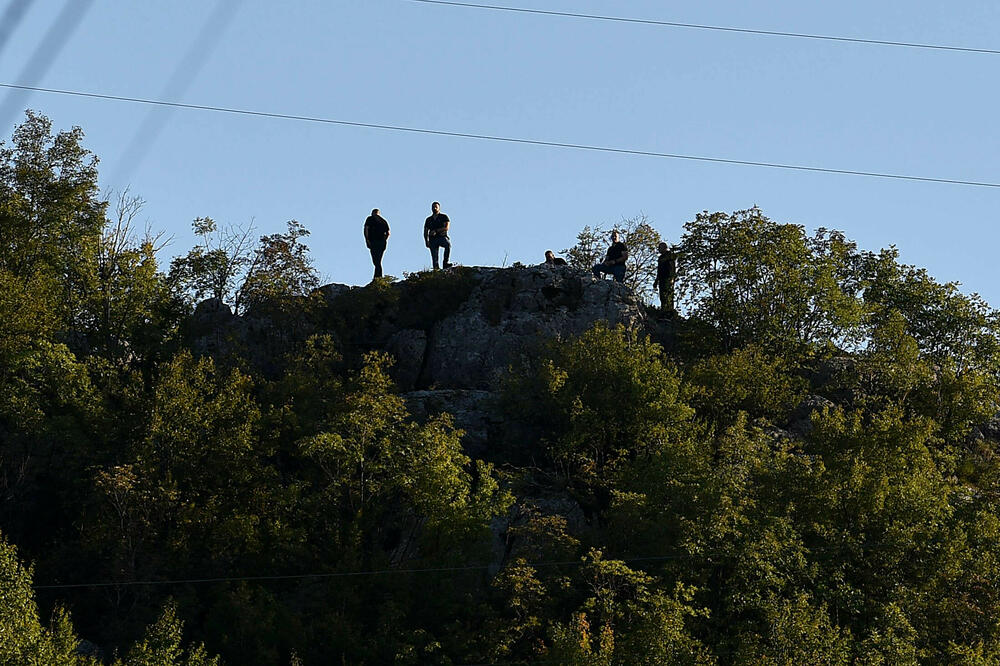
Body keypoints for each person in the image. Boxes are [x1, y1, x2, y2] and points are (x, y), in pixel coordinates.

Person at [423, 201, 452, 269]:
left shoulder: (444, 217)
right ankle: (436, 270)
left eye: (436, 207)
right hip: (432, 239)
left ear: (439, 208)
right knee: (434, 256)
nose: (434, 208)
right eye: (433, 207)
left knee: (447, 245)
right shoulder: (428, 219)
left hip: (441, 237)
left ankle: (445, 263)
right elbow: (425, 231)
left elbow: (447, 227)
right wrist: (426, 241)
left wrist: (436, 231)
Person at [363, 208, 391, 278]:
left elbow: (366, 229)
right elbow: (388, 233)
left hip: (374, 241)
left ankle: (378, 277)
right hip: (382, 243)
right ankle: (377, 277)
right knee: (378, 260)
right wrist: (384, 240)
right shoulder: (384, 221)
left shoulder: (370, 219)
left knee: (376, 261)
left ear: (373, 213)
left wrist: (367, 240)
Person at [653, 241, 678, 313]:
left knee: (668, 295)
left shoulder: (670, 256)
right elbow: (659, 270)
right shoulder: (661, 258)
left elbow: (672, 267)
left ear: (664, 248)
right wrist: (656, 280)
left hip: (668, 279)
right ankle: (663, 310)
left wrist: (671, 278)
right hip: (661, 279)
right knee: (662, 296)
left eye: (660, 248)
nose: (658, 249)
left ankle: (669, 312)